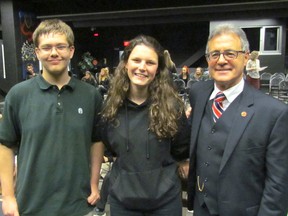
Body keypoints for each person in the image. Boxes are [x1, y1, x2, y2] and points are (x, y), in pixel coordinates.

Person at [0, 19, 104, 216]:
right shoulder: (18, 95)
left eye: (60, 46)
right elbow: (5, 146)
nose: (54, 53)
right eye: (47, 47)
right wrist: (8, 196)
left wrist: (93, 183)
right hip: (30, 206)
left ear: (71, 51)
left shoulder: (91, 95)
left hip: (78, 206)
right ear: (38, 52)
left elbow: (96, 140)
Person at [187, 23, 288, 216]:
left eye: (230, 53)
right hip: (202, 208)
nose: (221, 60)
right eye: (214, 54)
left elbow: (278, 185)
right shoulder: (198, 94)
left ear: (246, 57)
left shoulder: (274, 113)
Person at [98, 35, 190, 216]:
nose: (142, 67)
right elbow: (110, 147)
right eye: (136, 60)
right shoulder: (110, 108)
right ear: (125, 63)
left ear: (158, 68)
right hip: (123, 202)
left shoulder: (173, 107)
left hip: (165, 202)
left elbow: (181, 149)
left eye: (150, 62)